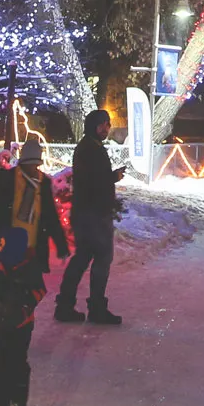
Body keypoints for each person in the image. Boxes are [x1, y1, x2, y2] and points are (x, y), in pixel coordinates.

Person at [0, 137, 69, 406]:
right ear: (21, 163)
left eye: (35, 166)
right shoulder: (6, 180)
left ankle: (17, 399)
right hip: (5, 246)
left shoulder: (43, 184)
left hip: (29, 253)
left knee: (16, 355)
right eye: (28, 165)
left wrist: (60, 245)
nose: (32, 170)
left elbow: (49, 216)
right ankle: (3, 397)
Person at [56, 108, 126, 325]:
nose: (107, 128)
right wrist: (113, 177)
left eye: (107, 124)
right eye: (104, 124)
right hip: (94, 214)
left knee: (83, 257)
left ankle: (66, 305)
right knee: (101, 258)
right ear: (95, 126)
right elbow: (93, 181)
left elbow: (92, 180)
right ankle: (95, 308)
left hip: (88, 213)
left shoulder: (90, 147)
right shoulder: (90, 149)